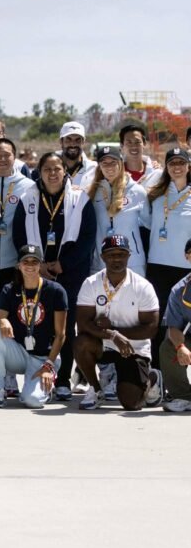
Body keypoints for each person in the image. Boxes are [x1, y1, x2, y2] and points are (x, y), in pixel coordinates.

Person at [12, 151, 96, 400]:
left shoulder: (79, 198)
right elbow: (19, 236)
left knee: (67, 325)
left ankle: (63, 380)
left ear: (65, 171)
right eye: (47, 169)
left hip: (69, 272)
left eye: (57, 169)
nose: (52, 173)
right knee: (37, 321)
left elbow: (87, 238)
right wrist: (37, 265)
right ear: (39, 172)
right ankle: (36, 372)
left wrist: (63, 264)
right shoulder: (28, 197)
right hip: (35, 271)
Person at [74, 235, 160, 411]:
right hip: (102, 344)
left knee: (131, 403)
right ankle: (96, 389)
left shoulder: (143, 286)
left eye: (121, 254)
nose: (117, 259)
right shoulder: (91, 283)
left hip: (133, 348)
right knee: (81, 343)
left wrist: (116, 333)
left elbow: (151, 328)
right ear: (102, 257)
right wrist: (112, 335)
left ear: (129, 256)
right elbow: (82, 324)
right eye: (111, 254)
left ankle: (151, 378)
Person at [0, 245, 67, 407]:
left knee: (32, 401)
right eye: (25, 262)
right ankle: (0, 389)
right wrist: (4, 321)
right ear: (18, 265)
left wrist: (49, 365)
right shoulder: (9, 289)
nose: (29, 266)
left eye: (34, 262)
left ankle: (45, 386)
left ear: (40, 264)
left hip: (44, 358)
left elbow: (61, 334)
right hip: (20, 353)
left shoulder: (56, 291)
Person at [0, 138, 36, 331]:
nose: (2, 159)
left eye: (7, 155)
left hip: (14, 264)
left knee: (13, 317)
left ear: (14, 157)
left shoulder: (29, 186)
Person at [87, 146, 149, 276]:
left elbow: (148, 224)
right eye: (104, 163)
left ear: (121, 163)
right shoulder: (93, 193)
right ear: (99, 166)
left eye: (113, 163)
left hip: (133, 261)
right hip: (101, 261)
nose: (109, 167)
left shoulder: (137, 191)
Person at [144, 147, 191, 318]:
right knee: (158, 316)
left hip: (185, 267)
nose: (177, 167)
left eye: (181, 163)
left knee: (183, 318)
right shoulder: (155, 194)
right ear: (166, 167)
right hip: (157, 265)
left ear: (188, 166)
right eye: (172, 163)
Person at [156, 244, 191, 411]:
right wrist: (181, 347)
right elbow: (173, 327)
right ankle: (184, 397)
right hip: (189, 337)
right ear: (187, 257)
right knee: (168, 347)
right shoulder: (179, 290)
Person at [57, 121, 97, 191]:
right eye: (68, 140)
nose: (73, 144)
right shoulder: (48, 166)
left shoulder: (95, 169)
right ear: (61, 141)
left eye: (77, 140)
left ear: (83, 142)